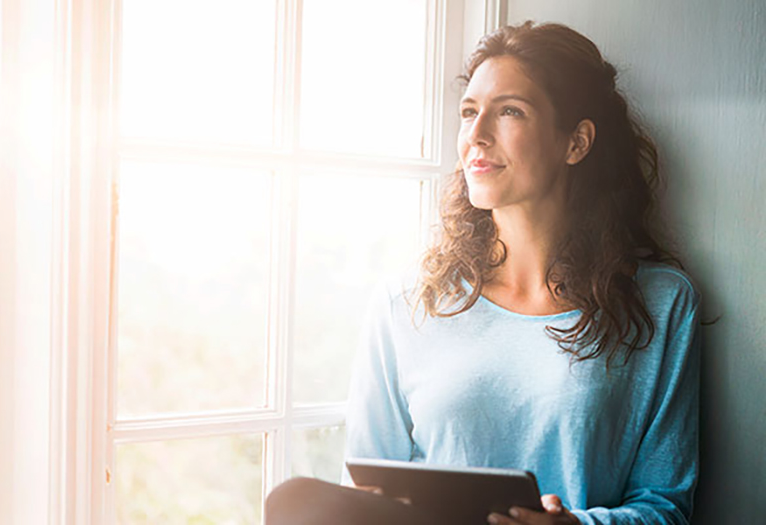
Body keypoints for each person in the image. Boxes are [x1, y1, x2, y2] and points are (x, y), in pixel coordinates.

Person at [266, 20, 701, 525]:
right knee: (296, 503)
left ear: (576, 143)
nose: (476, 135)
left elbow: (665, 506)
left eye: (510, 111)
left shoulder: (661, 302)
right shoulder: (406, 303)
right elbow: (367, 492)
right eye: (469, 112)